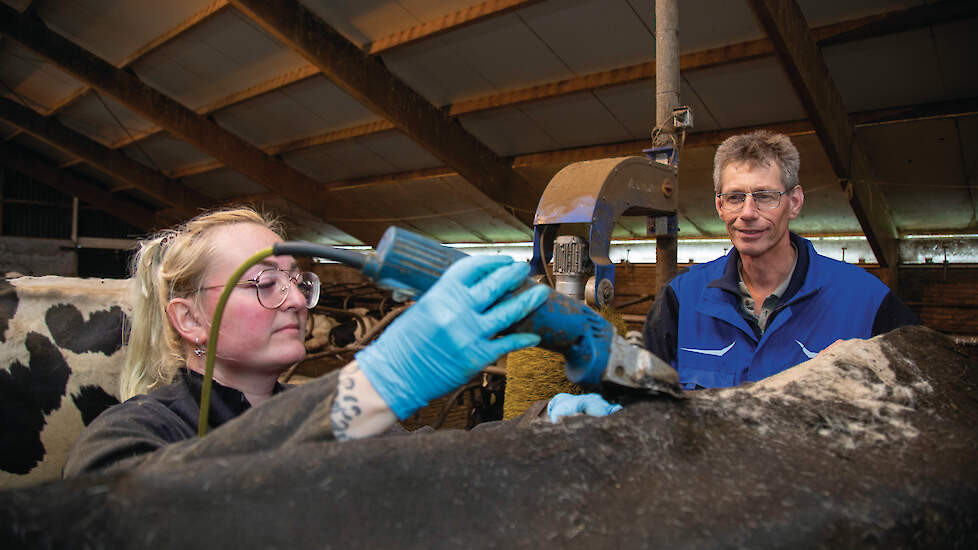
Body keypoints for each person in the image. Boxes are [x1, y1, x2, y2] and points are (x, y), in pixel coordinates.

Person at [64, 207, 550, 476]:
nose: (296, 298)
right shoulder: (132, 433)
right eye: (264, 283)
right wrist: (378, 384)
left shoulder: (310, 409)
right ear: (190, 318)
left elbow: (436, 459)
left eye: (296, 281)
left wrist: (545, 427)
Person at [640, 130, 919, 390]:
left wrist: (866, 372)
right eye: (735, 197)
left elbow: (923, 393)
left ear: (794, 202)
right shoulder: (681, 300)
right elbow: (641, 403)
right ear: (719, 205)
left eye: (764, 196)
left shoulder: (866, 300)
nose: (747, 212)